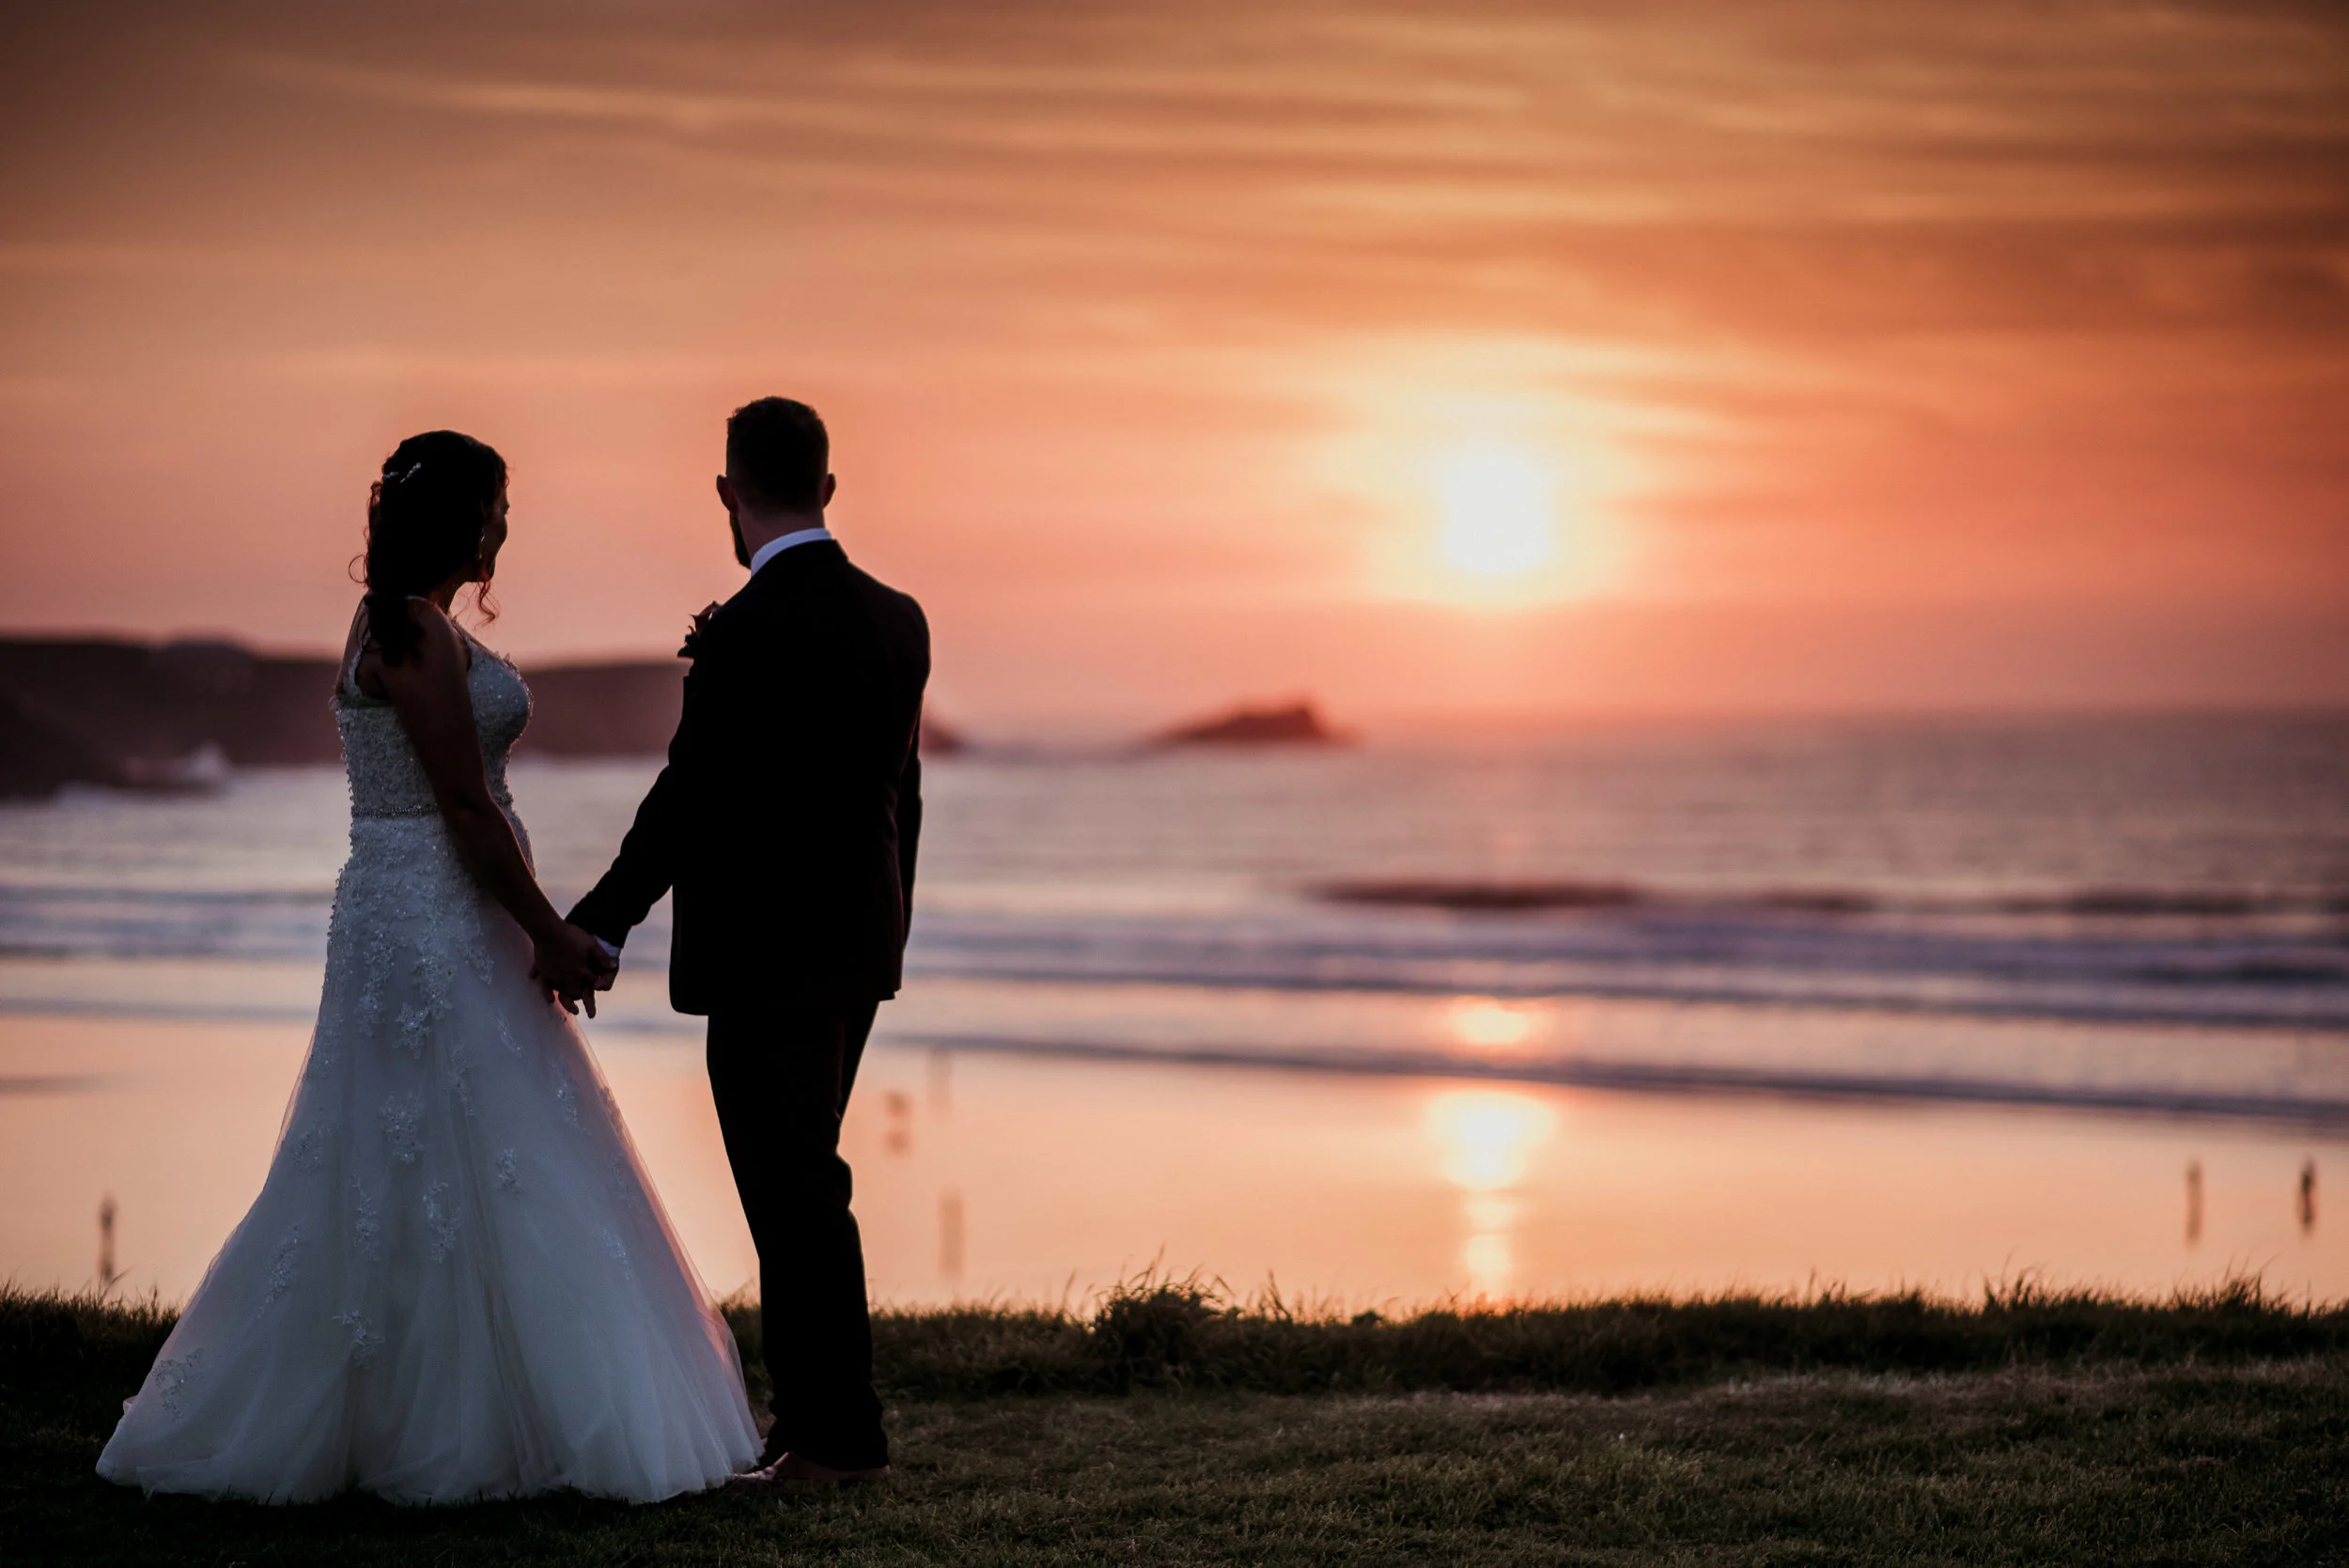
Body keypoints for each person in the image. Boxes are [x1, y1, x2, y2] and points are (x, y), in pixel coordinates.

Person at [97, 430, 761, 1504]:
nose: (506, 526)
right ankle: (428, 1417)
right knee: (429, 1140)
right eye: (498, 507)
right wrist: (549, 931)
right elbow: (460, 806)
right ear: (462, 519)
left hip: (435, 901)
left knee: (459, 1143)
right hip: (426, 910)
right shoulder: (408, 632)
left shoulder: (417, 623)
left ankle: (469, 1402)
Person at [569, 396, 927, 1485]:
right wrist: (888, 928)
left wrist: (600, 917)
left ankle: (837, 1437)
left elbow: (693, 796)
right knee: (801, 1187)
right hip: (855, 952)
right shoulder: (897, 617)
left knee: (794, 1198)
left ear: (730, 493)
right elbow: (898, 793)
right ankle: (807, 1415)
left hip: (767, 960)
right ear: (827, 486)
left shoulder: (747, 630)